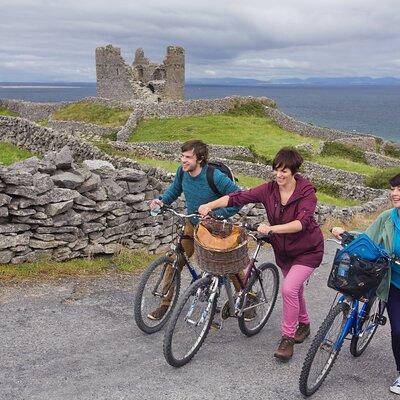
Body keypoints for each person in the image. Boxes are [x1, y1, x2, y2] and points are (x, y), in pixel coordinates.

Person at [199, 147, 324, 360]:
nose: (279, 175)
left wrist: (272, 229)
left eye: (284, 171)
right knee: (294, 290)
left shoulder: (306, 192)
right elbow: (238, 197)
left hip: (307, 250)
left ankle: (287, 338)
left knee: (289, 288)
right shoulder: (270, 189)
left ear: (294, 171)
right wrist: (210, 205)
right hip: (284, 251)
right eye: (276, 170)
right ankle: (304, 324)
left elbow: (301, 224)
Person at [147, 139, 242, 321]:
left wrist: (219, 214)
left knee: (227, 266)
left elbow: (238, 198)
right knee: (174, 259)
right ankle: (165, 305)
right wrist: (161, 201)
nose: (183, 160)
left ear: (199, 158)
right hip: (192, 224)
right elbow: (174, 191)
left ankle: (246, 296)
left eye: (188, 157)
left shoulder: (215, 176)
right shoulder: (182, 172)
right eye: (182, 156)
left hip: (214, 227)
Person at [332, 172, 400, 395]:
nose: (394, 193)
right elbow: (369, 237)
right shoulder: (388, 217)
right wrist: (347, 234)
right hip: (390, 280)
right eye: (393, 188)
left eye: (399, 189)